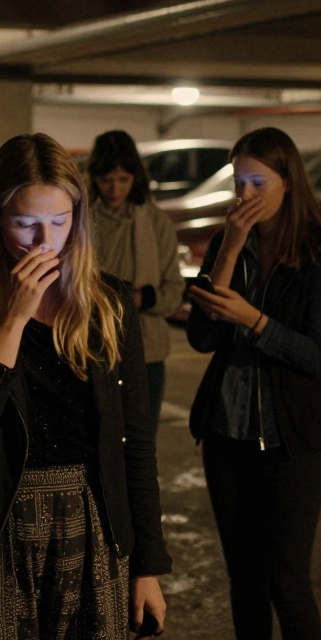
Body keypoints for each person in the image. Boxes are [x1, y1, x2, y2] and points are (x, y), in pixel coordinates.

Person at [0, 133, 171, 640]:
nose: (43, 242)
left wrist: (148, 564)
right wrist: (10, 320)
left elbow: (135, 443)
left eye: (59, 223)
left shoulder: (108, 301)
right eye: (25, 223)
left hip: (91, 521)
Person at [185, 127, 321, 640]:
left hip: (290, 439)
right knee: (245, 580)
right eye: (239, 182)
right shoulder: (229, 241)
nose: (245, 196)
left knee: (288, 581)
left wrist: (255, 321)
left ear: (288, 182)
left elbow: (316, 355)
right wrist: (231, 248)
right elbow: (201, 336)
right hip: (227, 433)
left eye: (257, 182)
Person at [86, 130, 185, 431]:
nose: (114, 189)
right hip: (93, 349)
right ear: (95, 178)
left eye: (123, 179)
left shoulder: (155, 222)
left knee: (140, 443)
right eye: (106, 180)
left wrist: (139, 299)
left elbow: (174, 290)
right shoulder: (84, 222)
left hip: (146, 352)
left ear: (136, 177)